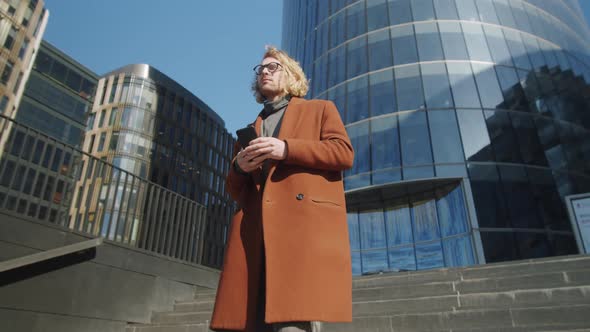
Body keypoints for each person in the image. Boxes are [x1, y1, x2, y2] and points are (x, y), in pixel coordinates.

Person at [210, 46, 354, 332]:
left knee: (292, 323)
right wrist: (240, 167)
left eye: (272, 67)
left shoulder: (320, 109)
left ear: (290, 75)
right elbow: (235, 191)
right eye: (260, 69)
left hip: (298, 233)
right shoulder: (249, 130)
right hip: (256, 237)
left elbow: (343, 153)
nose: (264, 71)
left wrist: (286, 148)